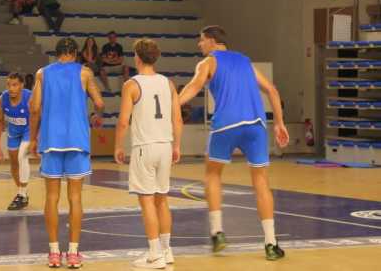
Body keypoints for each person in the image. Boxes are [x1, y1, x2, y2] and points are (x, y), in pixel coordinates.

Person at [178, 26, 289, 260]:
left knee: (213, 174)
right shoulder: (246, 61)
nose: (199, 45)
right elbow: (272, 89)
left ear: (211, 41)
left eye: (201, 40)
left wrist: (173, 104)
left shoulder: (207, 62)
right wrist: (279, 123)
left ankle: (217, 232)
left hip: (227, 123)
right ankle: (271, 243)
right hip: (256, 124)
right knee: (261, 181)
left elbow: (194, 87)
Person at [29, 38, 104, 269]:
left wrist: (33, 138)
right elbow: (100, 103)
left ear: (58, 53)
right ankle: (73, 253)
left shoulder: (42, 73)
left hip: (51, 139)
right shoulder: (85, 72)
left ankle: (53, 252)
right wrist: (90, 108)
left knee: (52, 197)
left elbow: (34, 107)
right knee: (75, 197)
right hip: (77, 140)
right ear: (74, 53)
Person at [114, 39, 183, 268]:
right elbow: (177, 119)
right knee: (162, 200)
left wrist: (118, 146)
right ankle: (166, 250)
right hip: (165, 145)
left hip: (145, 147)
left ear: (137, 57)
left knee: (147, 202)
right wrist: (177, 146)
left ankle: (154, 254)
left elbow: (124, 121)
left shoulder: (131, 85)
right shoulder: (168, 83)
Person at [0, 73, 32, 211]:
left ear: (21, 85)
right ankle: (23, 193)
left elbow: (39, 117)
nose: (11, 88)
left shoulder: (30, 98)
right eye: (9, 85)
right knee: (14, 163)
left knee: (22, 155)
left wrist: (37, 137)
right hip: (14, 132)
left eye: (15, 85)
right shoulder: (1, 99)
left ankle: (21, 195)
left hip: (29, 129)